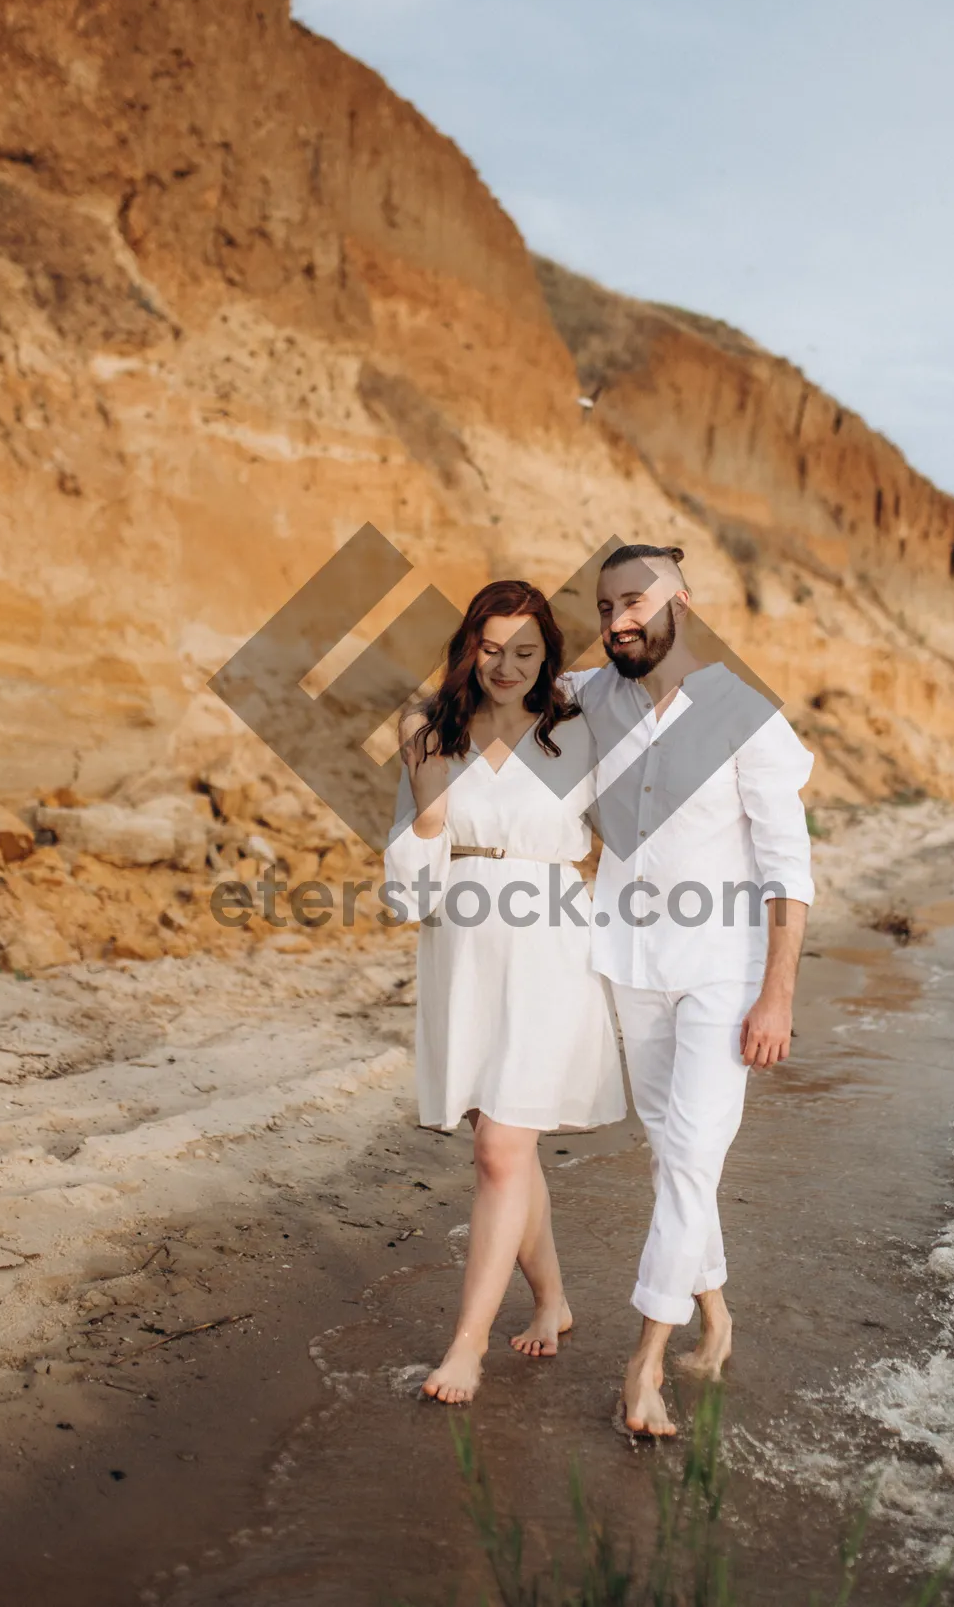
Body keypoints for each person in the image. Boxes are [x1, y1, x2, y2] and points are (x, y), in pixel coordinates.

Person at [565, 543, 815, 1438]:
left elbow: (789, 874)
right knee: (677, 1157)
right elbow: (505, 686)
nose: (617, 619)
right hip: (629, 961)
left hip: (723, 971)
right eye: (604, 607)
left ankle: (642, 1365)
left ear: (681, 601)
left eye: (634, 600)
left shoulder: (748, 719)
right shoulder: (596, 693)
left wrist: (776, 996)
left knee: (693, 1154)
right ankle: (714, 1310)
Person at [385, 579, 626, 1407]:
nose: (506, 665)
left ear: (547, 658)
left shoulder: (580, 733)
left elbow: (637, 834)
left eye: (525, 651)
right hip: (462, 952)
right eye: (491, 649)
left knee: (498, 1151)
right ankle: (553, 1301)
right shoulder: (430, 733)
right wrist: (424, 816)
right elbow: (406, 894)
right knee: (506, 1144)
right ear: (468, 649)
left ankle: (467, 1347)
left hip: (553, 949)